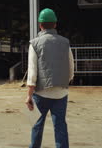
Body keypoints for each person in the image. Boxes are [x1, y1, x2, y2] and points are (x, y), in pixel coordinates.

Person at [25, 8, 74, 148]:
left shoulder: (34, 43)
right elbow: (71, 67)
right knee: (60, 126)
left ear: (40, 25)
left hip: (41, 93)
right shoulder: (65, 43)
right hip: (61, 93)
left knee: (37, 125)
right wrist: (65, 82)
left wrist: (29, 95)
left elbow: (32, 72)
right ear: (55, 24)